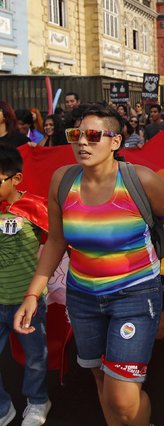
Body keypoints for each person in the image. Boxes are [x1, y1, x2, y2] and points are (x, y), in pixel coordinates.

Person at [13, 105, 164, 426]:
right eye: (76, 135)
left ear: (116, 141)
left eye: (93, 136)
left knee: (123, 399)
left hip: (135, 297)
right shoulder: (62, 181)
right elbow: (57, 241)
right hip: (83, 298)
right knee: (101, 379)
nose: (82, 143)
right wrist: (33, 294)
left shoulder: (142, 181)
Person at [0, 143, 52, 426]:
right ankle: (2, 407)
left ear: (16, 178)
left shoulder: (35, 207)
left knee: (35, 357)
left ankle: (38, 401)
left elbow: (59, 242)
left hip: (27, 301)